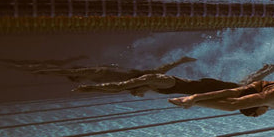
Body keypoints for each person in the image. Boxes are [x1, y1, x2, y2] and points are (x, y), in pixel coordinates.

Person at [72, 64, 274, 97]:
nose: (138, 93)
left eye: (135, 91)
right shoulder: (151, 81)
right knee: (240, 85)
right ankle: (266, 68)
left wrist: (92, 86)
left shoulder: (150, 78)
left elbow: (119, 86)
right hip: (202, 85)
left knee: (242, 88)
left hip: (204, 86)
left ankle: (269, 68)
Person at [24, 56, 196, 84]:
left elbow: (65, 71)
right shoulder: (92, 74)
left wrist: (44, 71)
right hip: (130, 77)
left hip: (132, 76)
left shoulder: (89, 73)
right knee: (159, 73)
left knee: (160, 72)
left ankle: (182, 60)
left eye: (76, 77)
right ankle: (182, 61)